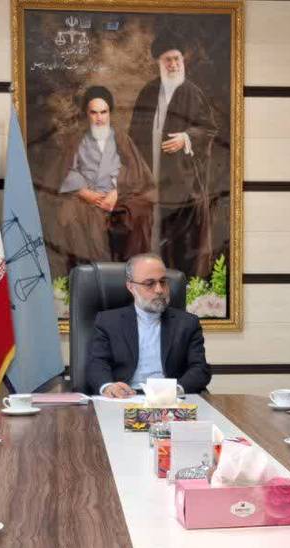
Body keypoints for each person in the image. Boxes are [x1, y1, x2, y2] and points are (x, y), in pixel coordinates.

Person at [128, 33, 218, 279]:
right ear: (159, 62)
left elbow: (208, 128)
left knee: (181, 240)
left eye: (177, 59)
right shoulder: (148, 92)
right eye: (168, 60)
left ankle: (179, 284)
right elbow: (134, 134)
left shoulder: (192, 92)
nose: (173, 64)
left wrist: (186, 138)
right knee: (150, 232)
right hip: (151, 174)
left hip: (182, 181)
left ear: (183, 60)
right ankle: (150, 280)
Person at [41, 86, 155, 277]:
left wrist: (117, 192)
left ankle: (133, 275)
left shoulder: (121, 139)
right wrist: (84, 192)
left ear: (109, 113)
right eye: (94, 113)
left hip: (118, 196)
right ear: (87, 114)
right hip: (87, 197)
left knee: (140, 212)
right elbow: (66, 171)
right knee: (72, 214)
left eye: (103, 112)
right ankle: (91, 277)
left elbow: (136, 171)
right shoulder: (76, 141)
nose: (99, 118)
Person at [85, 253, 211, 397]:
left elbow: (200, 369)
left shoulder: (187, 323)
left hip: (170, 399)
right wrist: (108, 387)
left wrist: (175, 390)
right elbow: (97, 364)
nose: (159, 290)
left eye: (163, 282)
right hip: (124, 398)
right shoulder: (108, 322)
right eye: (149, 283)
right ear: (131, 287)